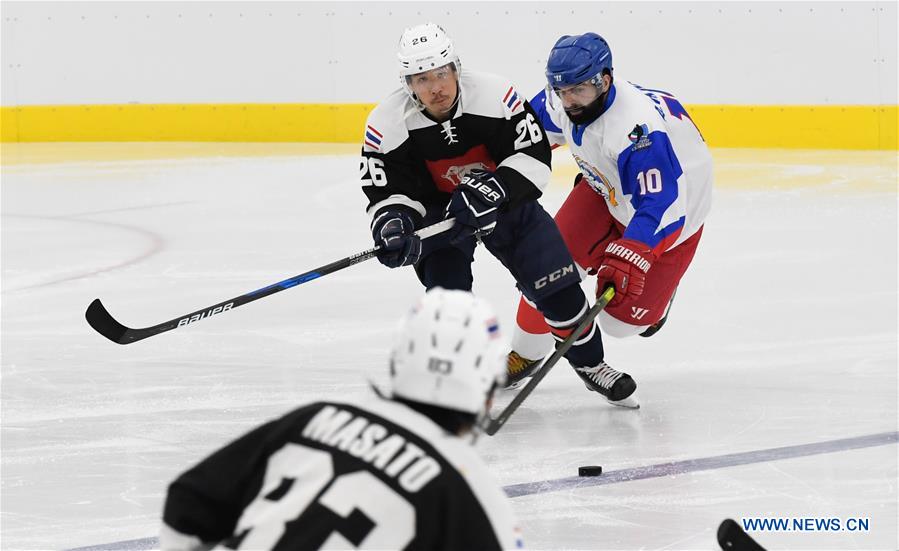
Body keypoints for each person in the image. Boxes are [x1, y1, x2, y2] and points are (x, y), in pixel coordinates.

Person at [361, 22, 636, 407]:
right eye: (421, 79)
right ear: (407, 83)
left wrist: (496, 188)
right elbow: (386, 190)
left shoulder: (495, 95)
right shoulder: (386, 123)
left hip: (506, 202)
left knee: (557, 286)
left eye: (441, 73)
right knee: (448, 295)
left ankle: (591, 364)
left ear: (456, 67)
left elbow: (534, 155)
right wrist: (394, 224)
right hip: (440, 212)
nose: (435, 87)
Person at [160, 288, 524, 550]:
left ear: (398, 359)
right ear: (487, 387)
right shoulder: (469, 492)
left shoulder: (315, 419)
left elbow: (188, 502)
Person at [506, 32, 713, 391]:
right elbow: (517, 138)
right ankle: (526, 352)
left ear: (605, 79)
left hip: (670, 217)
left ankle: (656, 308)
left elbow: (662, 204)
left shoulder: (637, 131)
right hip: (607, 192)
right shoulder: (564, 99)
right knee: (545, 269)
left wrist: (633, 252)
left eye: (578, 91)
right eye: (561, 91)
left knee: (620, 324)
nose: (568, 101)